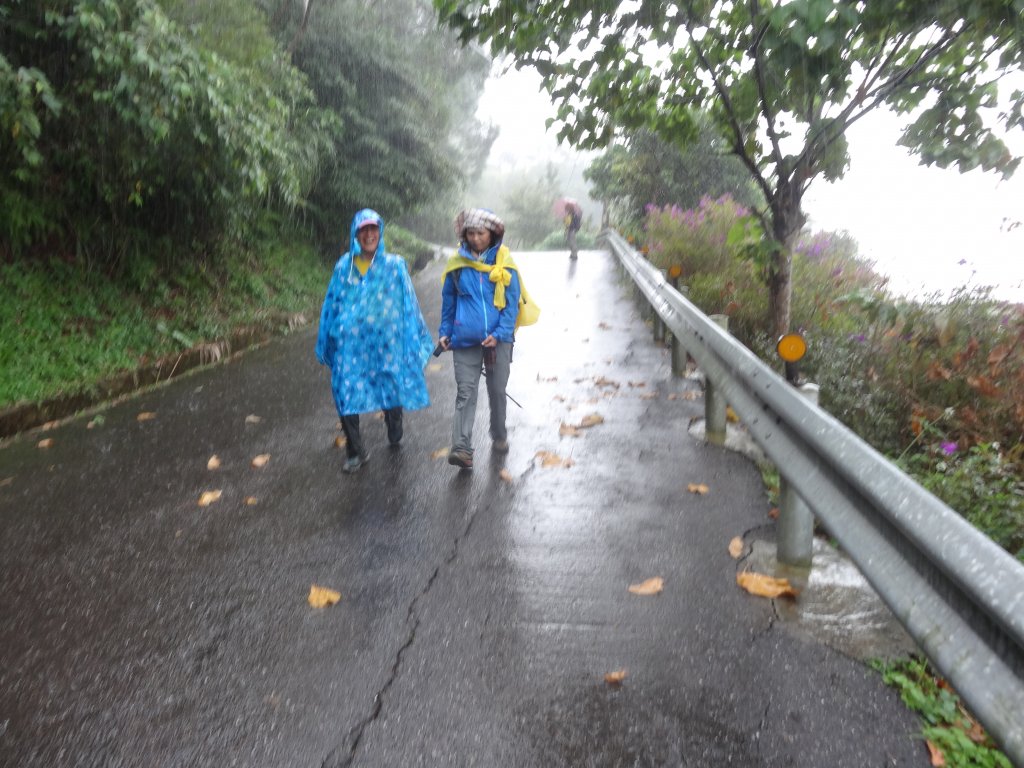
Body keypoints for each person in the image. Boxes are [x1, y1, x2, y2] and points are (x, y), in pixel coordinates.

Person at [316, 209, 434, 473]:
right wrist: (328, 338)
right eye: (363, 230)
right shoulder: (344, 267)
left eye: (373, 229)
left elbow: (408, 304)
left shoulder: (394, 265)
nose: (369, 234)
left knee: (389, 382)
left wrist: (414, 336)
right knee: (344, 390)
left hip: (386, 342)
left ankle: (394, 422)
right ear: (355, 234)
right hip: (351, 344)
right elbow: (332, 304)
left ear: (380, 232)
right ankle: (355, 451)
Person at [438, 208, 522, 470]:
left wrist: (499, 335)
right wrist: (445, 332)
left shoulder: (505, 263)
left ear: (493, 234)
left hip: (499, 340)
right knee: (465, 392)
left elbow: (512, 306)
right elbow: (448, 301)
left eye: (480, 233)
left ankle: (499, 434)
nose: (475, 238)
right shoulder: (457, 265)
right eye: (470, 233)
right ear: (464, 235)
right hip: (464, 338)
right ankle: (461, 448)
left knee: (497, 391)